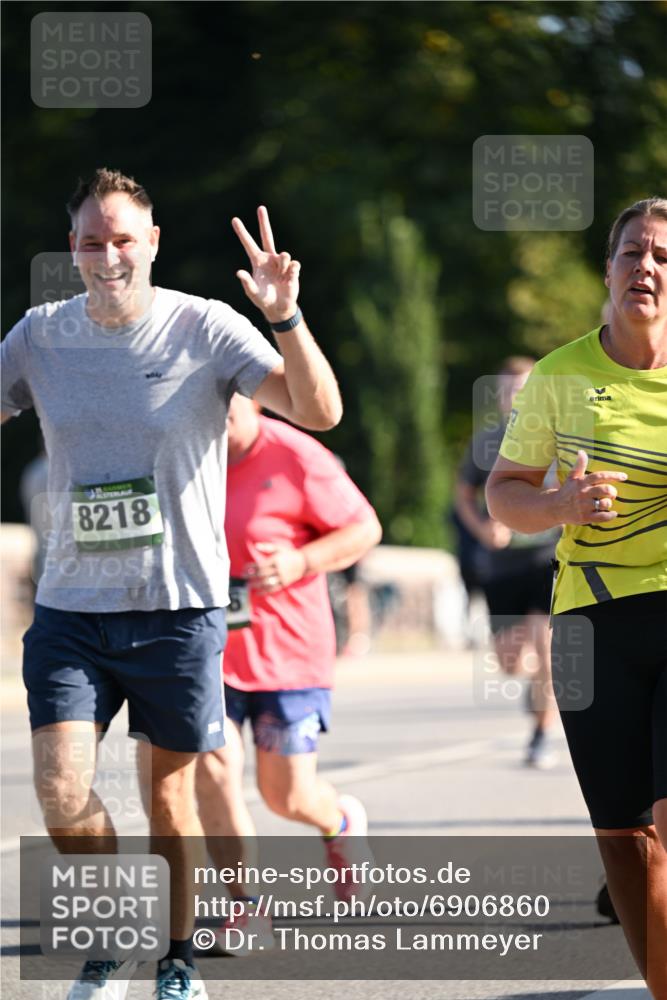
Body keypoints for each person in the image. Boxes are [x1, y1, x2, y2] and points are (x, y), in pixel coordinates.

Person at [0, 168, 342, 1000]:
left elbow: (318, 410)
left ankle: (177, 958)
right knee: (62, 792)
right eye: (91, 241)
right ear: (73, 249)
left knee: (170, 801)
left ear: (151, 243)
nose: (108, 255)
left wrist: (285, 316)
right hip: (72, 610)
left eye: (123, 238)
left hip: (178, 610)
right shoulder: (40, 336)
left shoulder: (206, 327)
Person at [486, 197, 667, 995]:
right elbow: (504, 493)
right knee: (624, 841)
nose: (645, 267)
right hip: (593, 625)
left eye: (661, 256)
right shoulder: (559, 377)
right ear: (606, 270)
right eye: (631, 252)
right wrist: (558, 505)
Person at [195, 393, 381, 953]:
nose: (215, 413)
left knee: (286, 796)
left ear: (254, 400)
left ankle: (339, 822)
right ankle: (245, 907)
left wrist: (301, 561)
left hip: (289, 652)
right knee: (213, 766)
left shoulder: (297, 455)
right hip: (206, 650)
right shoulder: (184, 451)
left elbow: (363, 529)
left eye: (228, 400)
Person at [455, 357, 559, 767]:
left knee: (547, 650)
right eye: (507, 390)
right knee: (511, 662)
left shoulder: (557, 436)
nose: (514, 396)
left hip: (548, 558)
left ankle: (541, 735)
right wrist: (483, 529)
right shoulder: (486, 441)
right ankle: (538, 685)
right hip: (502, 566)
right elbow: (463, 495)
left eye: (522, 389)